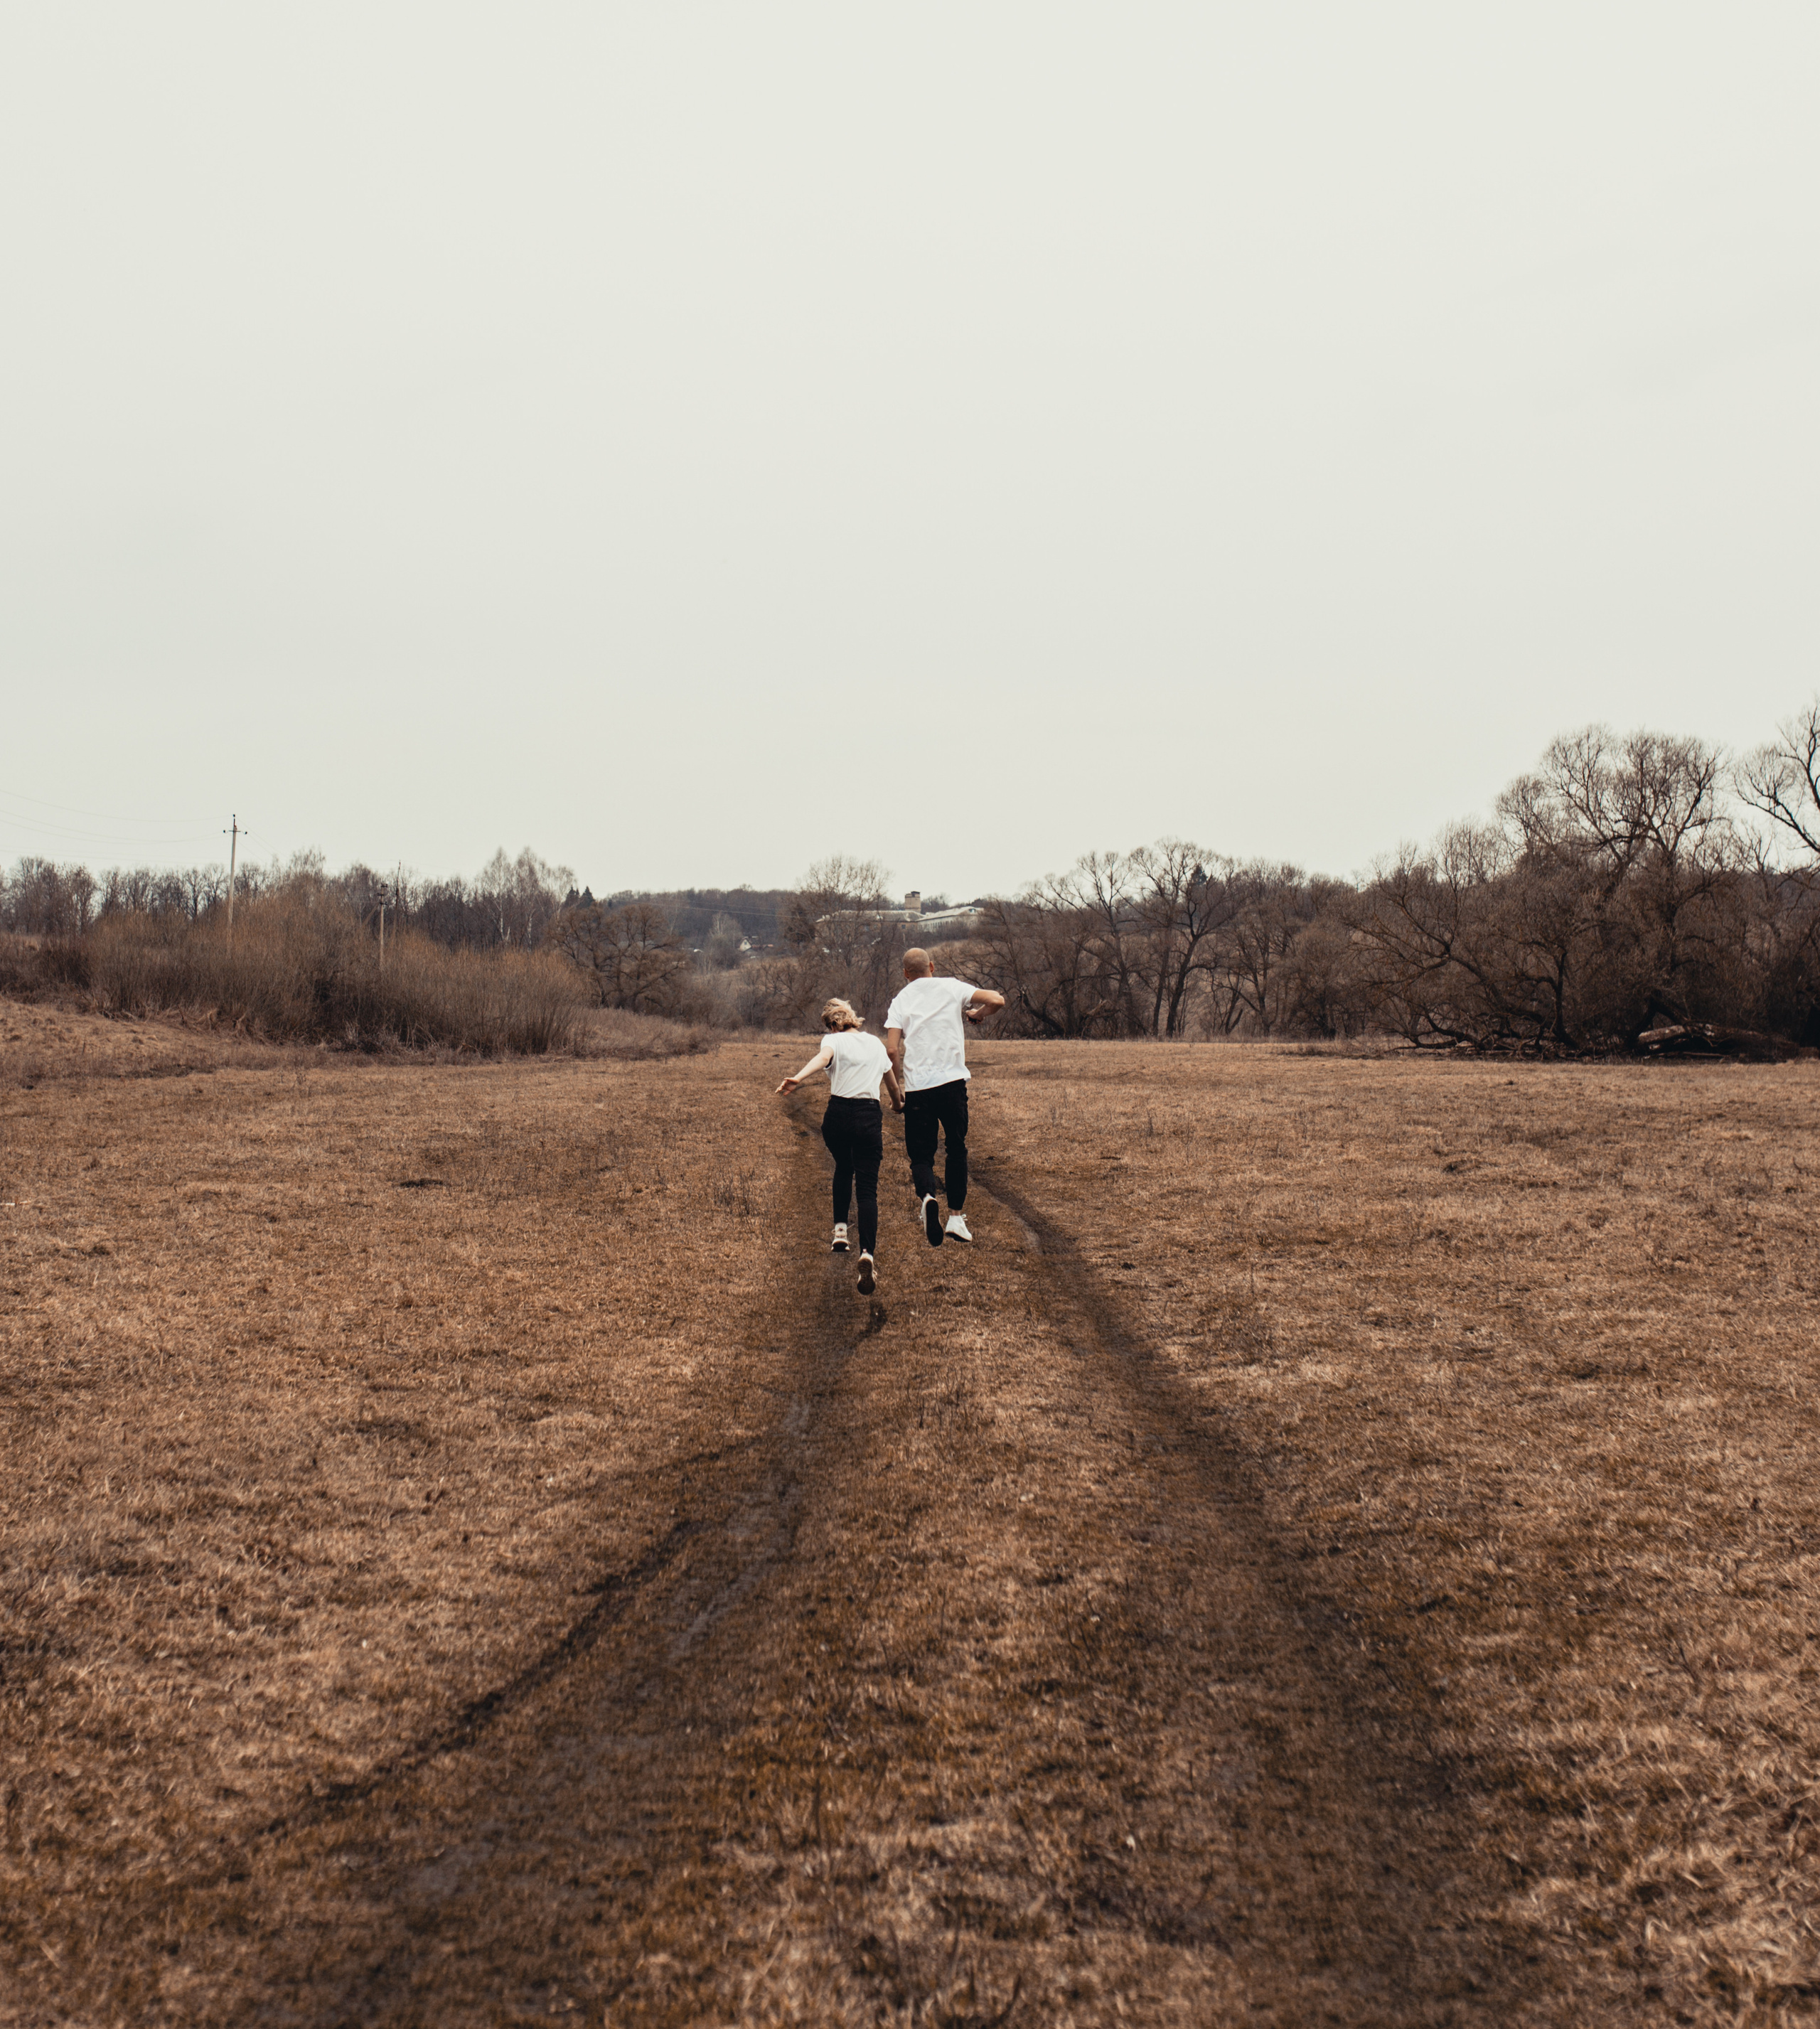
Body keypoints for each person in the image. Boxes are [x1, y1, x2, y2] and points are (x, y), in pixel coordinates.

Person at [775, 997, 903, 1295]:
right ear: (851, 1018)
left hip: (838, 1116)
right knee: (867, 1189)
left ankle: (841, 1233)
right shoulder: (875, 1044)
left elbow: (823, 1059)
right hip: (868, 1115)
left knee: (844, 1167)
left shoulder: (833, 1041)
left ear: (832, 1025)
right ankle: (867, 1253)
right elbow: (892, 1085)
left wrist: (798, 1078)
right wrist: (898, 1104)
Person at [884, 948, 1005, 1247]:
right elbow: (997, 1000)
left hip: (918, 1089)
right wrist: (977, 1014)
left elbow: (891, 1050)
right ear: (932, 966)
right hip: (952, 1084)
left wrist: (897, 1093)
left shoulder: (900, 1000)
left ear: (905, 973)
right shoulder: (952, 986)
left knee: (921, 1156)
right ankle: (956, 1218)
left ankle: (928, 1198)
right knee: (956, 1148)